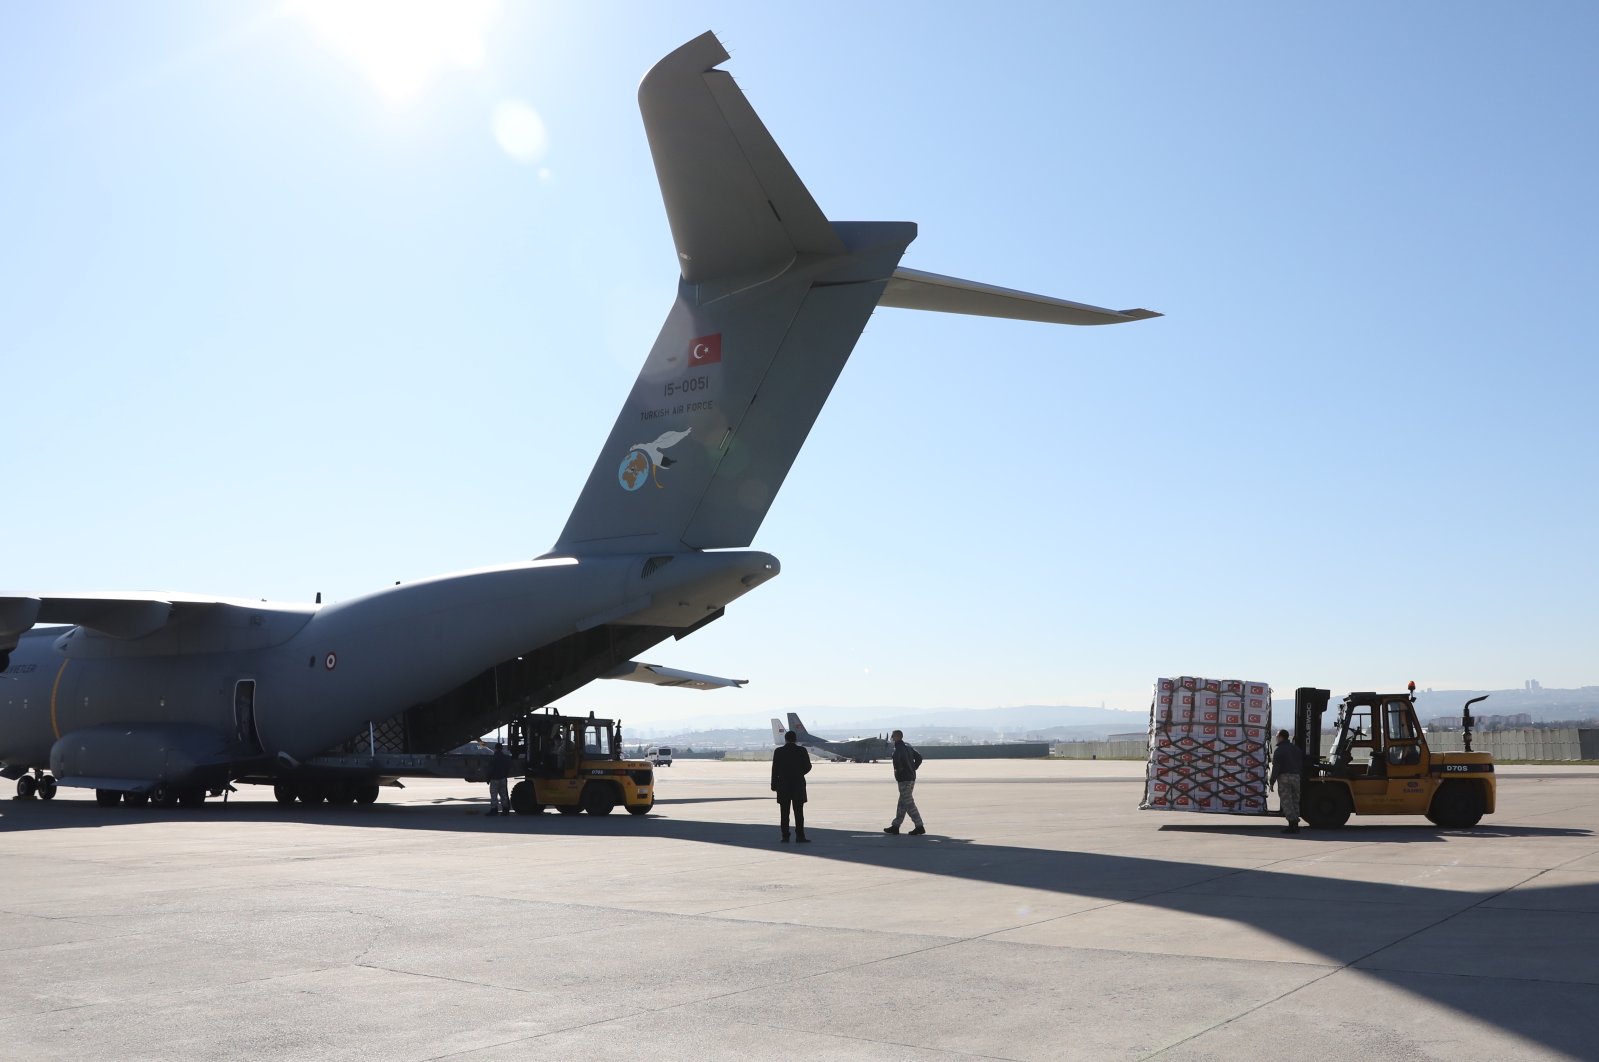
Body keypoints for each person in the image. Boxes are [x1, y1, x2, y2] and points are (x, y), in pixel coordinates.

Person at [771, 729, 812, 843]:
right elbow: (808, 767)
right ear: (795, 739)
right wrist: (799, 773)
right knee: (799, 813)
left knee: (784, 813)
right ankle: (800, 836)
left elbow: (774, 770)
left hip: (783, 785)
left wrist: (774, 785)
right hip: (798, 785)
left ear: (785, 739)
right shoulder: (802, 750)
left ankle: (785, 836)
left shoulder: (778, 751)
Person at [883, 729, 926, 835]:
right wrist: (913, 768)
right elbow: (919, 758)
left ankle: (919, 826)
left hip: (904, 779)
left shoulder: (897, 750)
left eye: (892, 736)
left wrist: (899, 773)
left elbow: (897, 765)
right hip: (911, 777)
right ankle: (896, 826)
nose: (892, 739)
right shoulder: (908, 747)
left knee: (908, 803)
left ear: (897, 737)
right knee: (902, 803)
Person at [1268, 729, 1303, 834]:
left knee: (1286, 801)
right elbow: (1300, 765)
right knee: (1295, 800)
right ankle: (1295, 824)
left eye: (1277, 736)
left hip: (1285, 777)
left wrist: (1272, 782)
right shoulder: (1296, 749)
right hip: (1296, 777)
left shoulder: (1279, 750)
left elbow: (1276, 768)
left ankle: (1292, 824)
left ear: (1281, 737)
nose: (1276, 738)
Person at [487, 742, 512, 816]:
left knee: (494, 795)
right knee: (503, 795)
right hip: (503, 778)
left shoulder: (493, 758)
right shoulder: (506, 758)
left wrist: (488, 778)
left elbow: (490, 769)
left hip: (494, 779)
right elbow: (508, 768)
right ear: (502, 748)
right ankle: (505, 810)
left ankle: (494, 810)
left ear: (495, 748)